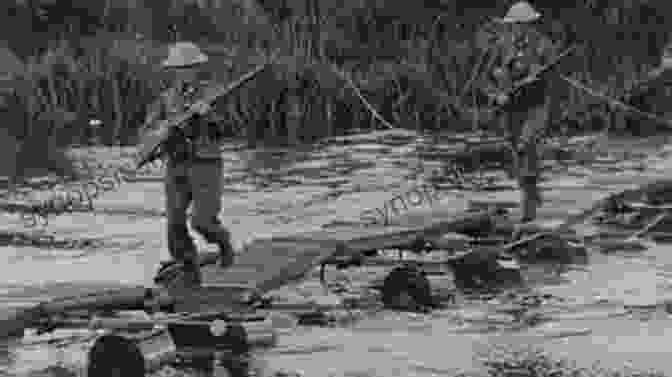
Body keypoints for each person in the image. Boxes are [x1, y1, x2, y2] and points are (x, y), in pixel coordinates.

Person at [141, 41, 235, 287]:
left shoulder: (212, 94)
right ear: (173, 71)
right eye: (180, 68)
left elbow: (230, 128)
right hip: (176, 165)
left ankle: (223, 242)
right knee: (174, 223)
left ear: (197, 68)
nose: (184, 72)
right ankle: (189, 267)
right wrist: (160, 130)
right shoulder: (165, 99)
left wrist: (209, 116)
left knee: (202, 221)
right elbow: (147, 131)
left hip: (206, 165)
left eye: (189, 67)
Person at [477, 1, 559, 222]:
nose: (520, 29)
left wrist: (537, 76)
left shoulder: (544, 46)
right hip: (511, 108)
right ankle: (531, 192)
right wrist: (497, 95)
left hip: (536, 106)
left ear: (532, 24)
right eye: (516, 25)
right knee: (516, 153)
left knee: (526, 145)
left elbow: (553, 76)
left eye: (525, 24)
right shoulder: (501, 47)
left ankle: (529, 207)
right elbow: (483, 81)